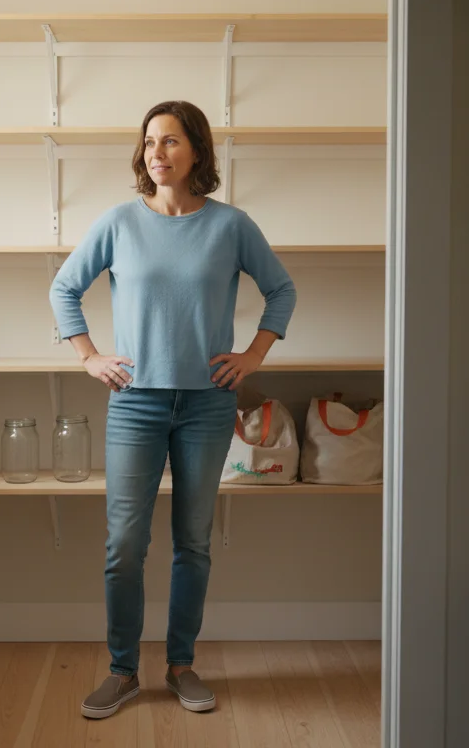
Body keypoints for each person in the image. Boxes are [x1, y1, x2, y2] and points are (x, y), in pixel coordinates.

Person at [49, 100, 297, 719]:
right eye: (149, 143)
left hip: (209, 405)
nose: (156, 154)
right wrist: (88, 357)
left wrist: (252, 358)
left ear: (196, 153)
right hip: (135, 404)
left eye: (171, 142)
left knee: (193, 542)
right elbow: (64, 287)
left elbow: (282, 289)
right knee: (124, 545)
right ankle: (123, 671)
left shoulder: (231, 225)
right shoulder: (118, 223)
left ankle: (181, 665)